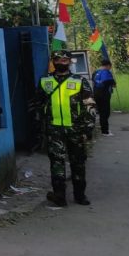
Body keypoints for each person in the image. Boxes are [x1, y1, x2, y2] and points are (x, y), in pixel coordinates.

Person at [39, 49, 94, 206]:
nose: (61, 62)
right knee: (56, 163)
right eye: (58, 60)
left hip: (76, 130)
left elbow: (89, 105)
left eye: (65, 60)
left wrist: (87, 129)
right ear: (53, 62)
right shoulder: (45, 81)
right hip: (54, 130)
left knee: (78, 162)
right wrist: (41, 127)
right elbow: (39, 105)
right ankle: (59, 196)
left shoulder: (79, 81)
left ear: (70, 62)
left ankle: (80, 195)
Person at [92, 58, 117, 136]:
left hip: (96, 94)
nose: (110, 68)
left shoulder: (95, 72)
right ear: (108, 65)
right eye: (110, 67)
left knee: (100, 112)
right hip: (104, 95)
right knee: (105, 113)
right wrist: (113, 83)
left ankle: (103, 128)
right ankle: (105, 131)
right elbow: (110, 82)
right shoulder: (106, 72)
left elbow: (93, 82)